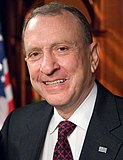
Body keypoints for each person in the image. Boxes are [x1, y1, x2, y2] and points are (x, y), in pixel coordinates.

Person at [1, 2, 123, 160]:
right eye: (35, 53)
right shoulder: (15, 126)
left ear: (92, 56)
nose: (47, 67)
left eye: (61, 49)